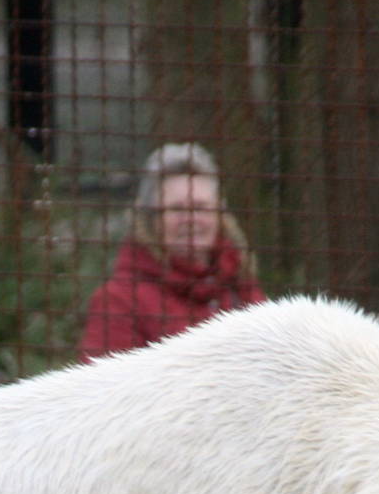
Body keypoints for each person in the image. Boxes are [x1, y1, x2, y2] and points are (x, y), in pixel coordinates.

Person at [78, 143, 265, 361]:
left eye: (201, 207)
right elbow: (107, 390)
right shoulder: (118, 301)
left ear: (219, 214)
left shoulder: (242, 287)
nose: (191, 219)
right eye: (177, 209)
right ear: (151, 219)